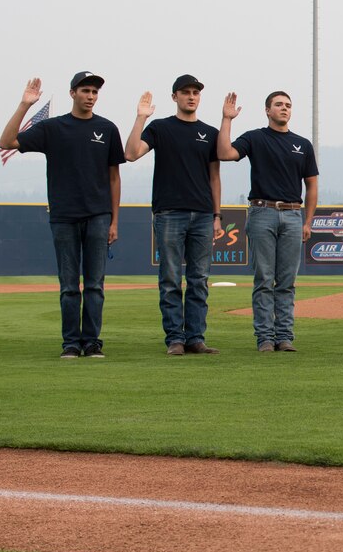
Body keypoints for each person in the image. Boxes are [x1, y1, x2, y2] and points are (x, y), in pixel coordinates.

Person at [0, 72, 124, 358]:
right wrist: (25, 105)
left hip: (98, 216)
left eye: (94, 92)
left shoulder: (107, 129)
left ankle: (91, 342)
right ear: (73, 93)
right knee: (69, 286)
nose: (90, 96)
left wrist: (114, 220)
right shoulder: (52, 128)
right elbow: (6, 142)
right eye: (85, 90)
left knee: (95, 285)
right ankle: (70, 343)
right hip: (64, 216)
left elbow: (114, 178)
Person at [126, 74, 221, 356]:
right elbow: (131, 154)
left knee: (199, 279)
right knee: (170, 278)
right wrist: (140, 117)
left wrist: (217, 214)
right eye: (186, 92)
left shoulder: (210, 133)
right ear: (174, 97)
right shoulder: (160, 128)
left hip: (203, 214)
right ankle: (175, 339)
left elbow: (214, 177)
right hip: (169, 213)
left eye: (195, 92)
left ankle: (195, 338)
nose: (191, 96)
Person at [217, 90, 318, 353]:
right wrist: (227, 119)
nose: (284, 109)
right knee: (264, 279)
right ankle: (265, 338)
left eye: (288, 105)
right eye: (278, 105)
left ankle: (284, 337)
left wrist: (308, 221)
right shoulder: (255, 137)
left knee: (287, 281)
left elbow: (312, 184)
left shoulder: (302, 144)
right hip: (263, 211)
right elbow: (225, 153)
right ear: (267, 110)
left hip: (294, 213)